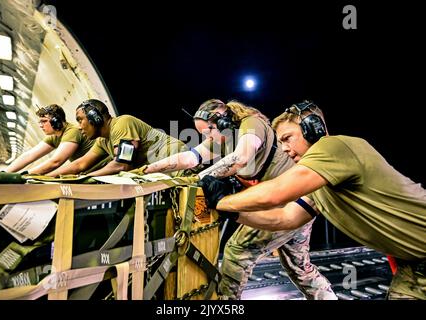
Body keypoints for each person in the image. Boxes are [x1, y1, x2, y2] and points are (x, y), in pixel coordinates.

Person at [200, 100, 426, 300]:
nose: (286, 149)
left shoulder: (334, 146)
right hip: (413, 264)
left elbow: (275, 193)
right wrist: (228, 208)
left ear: (313, 129)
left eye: (288, 138)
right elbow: (285, 218)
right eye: (281, 142)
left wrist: (223, 199)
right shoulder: (319, 183)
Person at [142, 98, 336, 300]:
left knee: (237, 252)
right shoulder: (222, 139)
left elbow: (241, 157)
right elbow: (191, 158)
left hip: (288, 200)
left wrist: (200, 180)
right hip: (297, 200)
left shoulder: (252, 124)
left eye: (209, 131)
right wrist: (149, 170)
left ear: (224, 121)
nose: (207, 138)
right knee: (300, 268)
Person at [47, 99, 187, 177]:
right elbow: (80, 164)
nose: (79, 127)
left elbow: (122, 163)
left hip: (178, 165)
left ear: (94, 118)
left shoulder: (123, 123)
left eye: (80, 120)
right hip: (164, 172)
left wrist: (87, 178)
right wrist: (46, 178)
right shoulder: (102, 140)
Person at [6, 104, 97, 175]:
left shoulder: (72, 132)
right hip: (89, 172)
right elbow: (29, 155)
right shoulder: (55, 136)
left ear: (56, 122)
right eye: (40, 122)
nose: (40, 125)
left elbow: (55, 162)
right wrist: (5, 173)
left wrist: (25, 174)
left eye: (44, 121)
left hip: (101, 172)